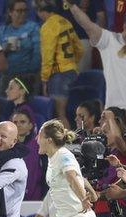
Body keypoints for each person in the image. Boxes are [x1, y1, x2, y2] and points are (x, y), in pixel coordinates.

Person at [37, 0, 82, 128]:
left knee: (59, 114)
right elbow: (79, 48)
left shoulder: (47, 26)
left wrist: (44, 79)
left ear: (41, 11)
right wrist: (72, 64)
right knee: (70, 113)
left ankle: (67, 144)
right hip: (72, 72)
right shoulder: (65, 22)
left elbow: (48, 55)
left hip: (59, 74)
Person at [0, 0, 41, 96]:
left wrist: (30, 71)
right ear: (10, 12)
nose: (23, 13)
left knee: (26, 108)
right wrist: (4, 50)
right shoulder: (2, 31)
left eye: (25, 10)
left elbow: (37, 53)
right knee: (5, 107)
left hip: (28, 75)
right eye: (19, 11)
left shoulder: (33, 27)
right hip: (8, 76)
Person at [11, 110, 44, 200]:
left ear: (30, 125)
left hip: (35, 198)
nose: (18, 125)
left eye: (22, 122)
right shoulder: (6, 147)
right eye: (15, 122)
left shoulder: (39, 146)